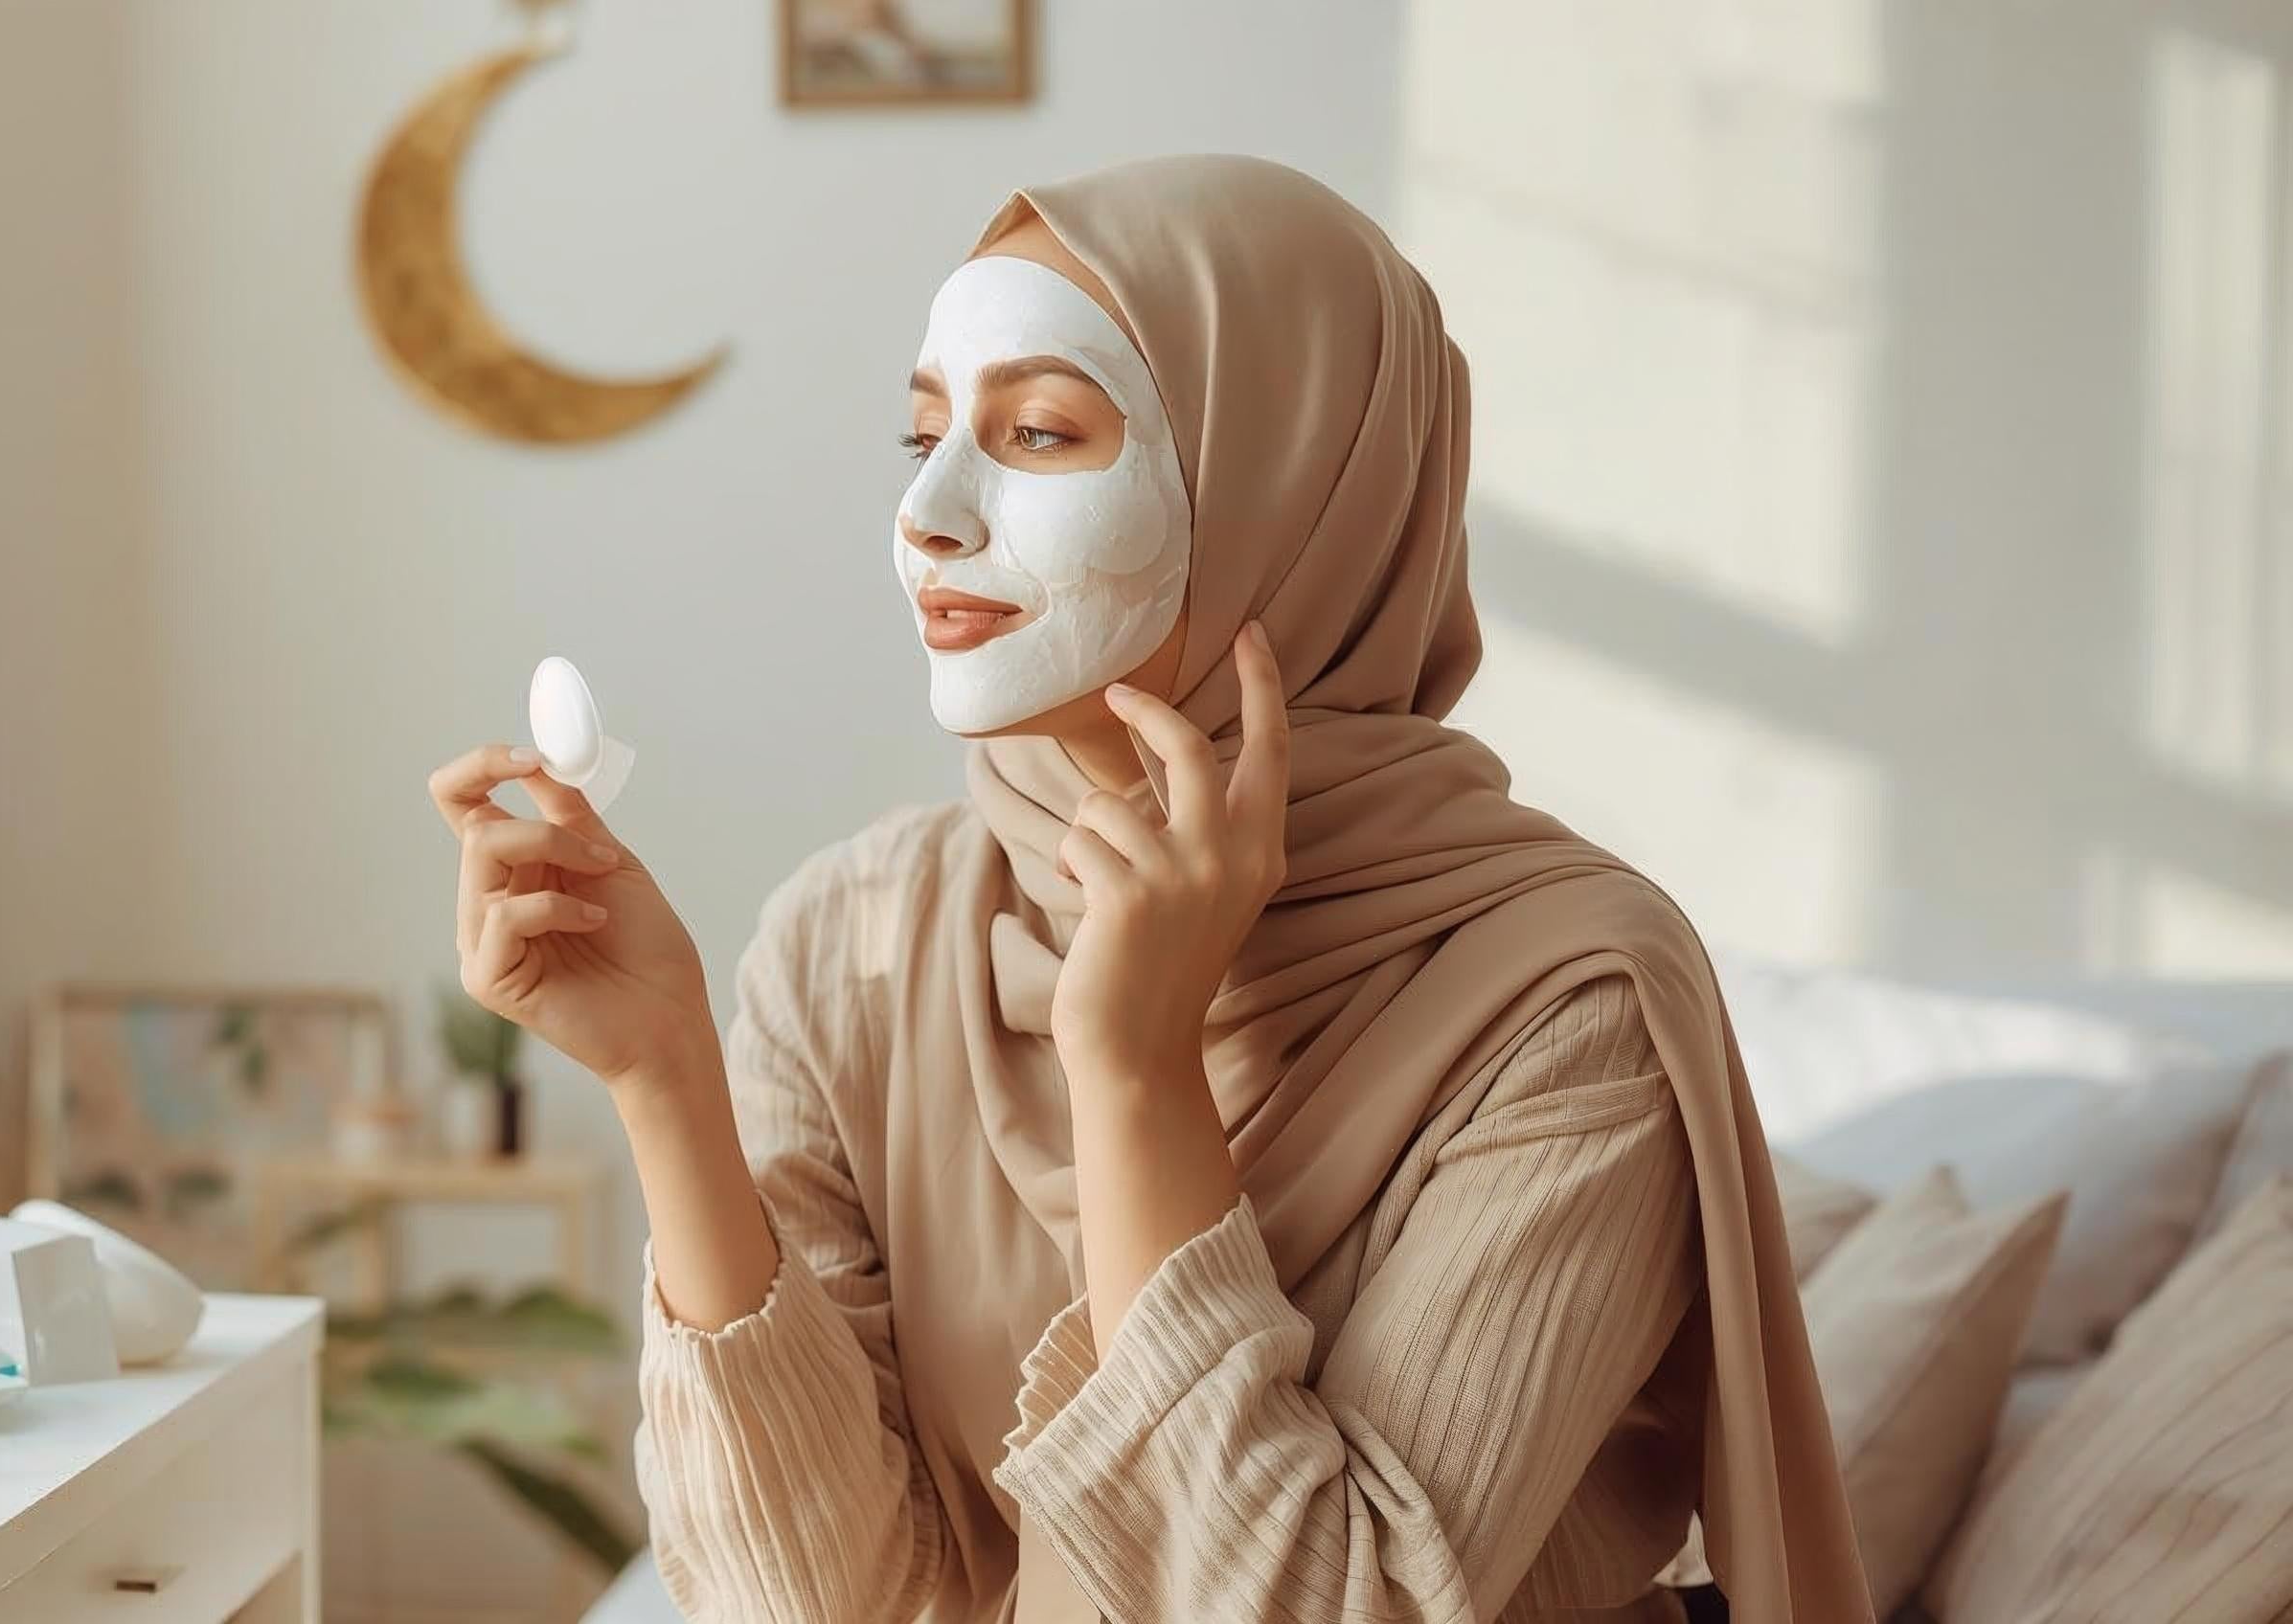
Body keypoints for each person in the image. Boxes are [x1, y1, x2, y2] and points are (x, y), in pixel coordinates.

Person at [425, 155, 1868, 1623]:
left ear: (1289, 494)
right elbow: (833, 1600)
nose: (928, 510)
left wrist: (1135, 1072)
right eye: (922, 434)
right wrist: (665, 1077)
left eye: (1039, 431)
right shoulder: (856, 939)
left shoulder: (1574, 1007)